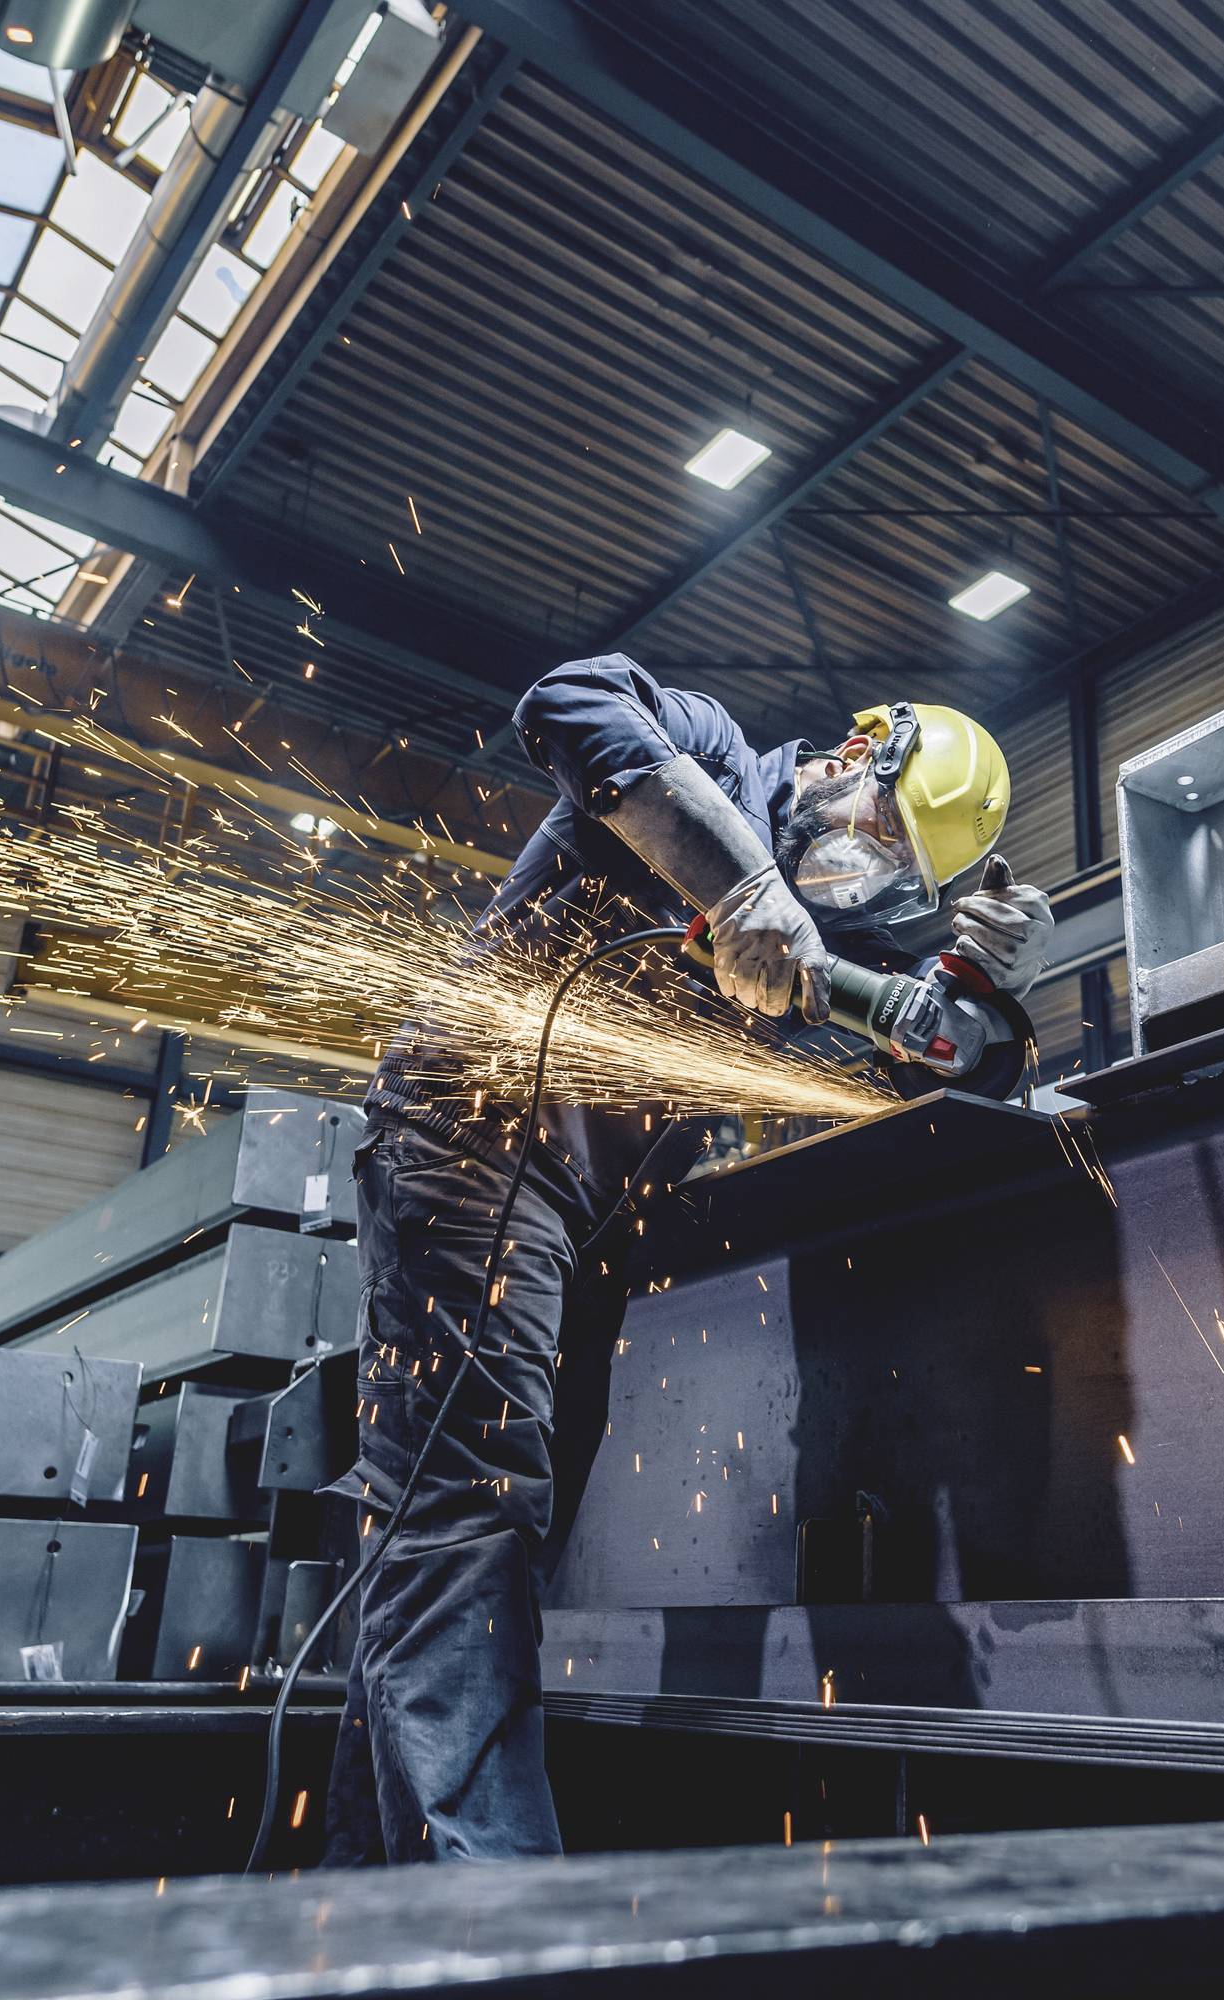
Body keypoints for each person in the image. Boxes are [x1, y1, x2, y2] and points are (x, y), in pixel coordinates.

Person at [320, 654, 1054, 1865]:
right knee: (472, 1510)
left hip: (595, 1219)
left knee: (489, 1530)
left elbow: (929, 1067)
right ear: (846, 758)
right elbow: (560, 697)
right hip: (472, 1134)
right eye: (876, 829)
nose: (863, 868)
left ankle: (353, 1884)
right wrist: (744, 878)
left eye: (898, 873)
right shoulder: (709, 753)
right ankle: (496, 1917)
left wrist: (983, 1002)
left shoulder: (821, 943)